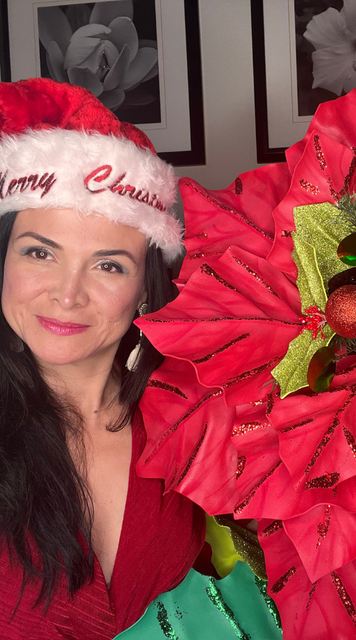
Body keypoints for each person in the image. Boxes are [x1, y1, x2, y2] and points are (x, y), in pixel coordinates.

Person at [0, 79, 280, 640]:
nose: (67, 293)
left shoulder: (190, 422)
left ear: (145, 292)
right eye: (40, 252)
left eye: (108, 266)